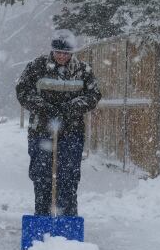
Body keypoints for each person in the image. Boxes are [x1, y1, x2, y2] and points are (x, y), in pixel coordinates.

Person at [16, 29, 102, 216]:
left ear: (72, 53)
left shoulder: (83, 71)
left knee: (68, 177)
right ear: (52, 51)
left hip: (71, 132)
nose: (61, 56)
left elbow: (94, 95)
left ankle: (67, 217)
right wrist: (45, 108)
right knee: (42, 176)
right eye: (58, 52)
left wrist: (71, 108)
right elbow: (22, 91)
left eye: (65, 53)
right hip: (41, 131)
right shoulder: (36, 66)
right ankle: (43, 217)